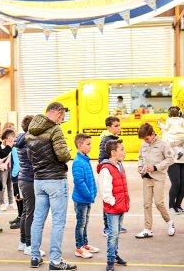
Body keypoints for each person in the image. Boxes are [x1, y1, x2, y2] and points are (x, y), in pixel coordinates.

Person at [25, 102, 75, 270]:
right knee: (58, 222)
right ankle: (55, 260)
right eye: (62, 116)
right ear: (58, 113)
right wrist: (68, 153)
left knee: (38, 220)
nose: (62, 120)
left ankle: (34, 256)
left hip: (38, 180)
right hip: (55, 180)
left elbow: (30, 158)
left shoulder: (30, 132)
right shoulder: (55, 130)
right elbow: (62, 156)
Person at [135, 123, 175, 238]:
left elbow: (170, 159)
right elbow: (140, 158)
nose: (145, 141)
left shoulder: (163, 144)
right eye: (144, 139)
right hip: (146, 177)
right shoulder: (143, 145)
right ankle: (147, 229)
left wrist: (156, 167)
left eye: (147, 138)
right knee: (146, 204)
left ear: (152, 134)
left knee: (159, 203)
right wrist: (140, 166)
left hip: (158, 178)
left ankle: (169, 223)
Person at [14, 115, 45, 257]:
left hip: (23, 178)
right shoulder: (30, 141)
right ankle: (29, 245)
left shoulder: (21, 139)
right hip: (30, 179)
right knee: (31, 213)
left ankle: (23, 242)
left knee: (26, 212)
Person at [97, 139, 129, 271]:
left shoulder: (120, 165)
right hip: (113, 208)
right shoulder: (106, 169)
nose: (125, 151)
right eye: (122, 149)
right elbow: (105, 192)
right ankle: (110, 261)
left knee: (116, 234)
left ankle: (114, 255)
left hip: (121, 206)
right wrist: (114, 203)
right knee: (113, 234)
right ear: (113, 152)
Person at [98, 116, 127, 236]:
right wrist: (108, 169)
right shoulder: (107, 140)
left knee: (115, 197)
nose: (119, 128)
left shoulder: (112, 138)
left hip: (113, 170)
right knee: (109, 198)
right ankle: (108, 227)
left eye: (119, 125)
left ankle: (114, 225)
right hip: (108, 171)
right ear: (108, 127)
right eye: (116, 126)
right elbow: (104, 158)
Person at [72, 133, 99, 259]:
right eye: (88, 144)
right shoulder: (78, 162)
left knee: (85, 222)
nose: (90, 147)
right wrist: (88, 194)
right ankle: (79, 247)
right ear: (79, 145)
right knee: (81, 223)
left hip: (87, 198)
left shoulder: (85, 159)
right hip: (81, 199)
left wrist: (94, 191)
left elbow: (90, 179)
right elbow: (79, 181)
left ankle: (85, 244)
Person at [0, 129, 16, 211]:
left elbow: (12, 156)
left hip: (10, 167)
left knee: (10, 186)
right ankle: (2, 203)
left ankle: (11, 202)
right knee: (3, 186)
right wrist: (3, 163)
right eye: (10, 139)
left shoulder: (13, 146)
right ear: (5, 139)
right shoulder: (1, 147)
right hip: (3, 168)